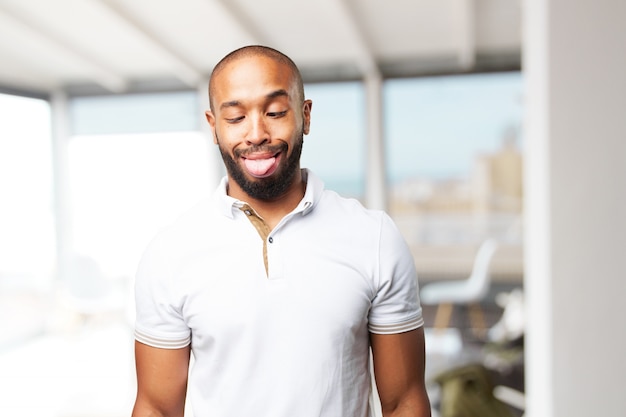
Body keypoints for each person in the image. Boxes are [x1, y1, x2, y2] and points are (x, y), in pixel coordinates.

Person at [132, 45, 431, 417]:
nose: (256, 133)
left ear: (305, 115)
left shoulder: (375, 238)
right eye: (236, 117)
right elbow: (156, 408)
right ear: (213, 127)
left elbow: (405, 402)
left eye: (275, 112)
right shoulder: (170, 253)